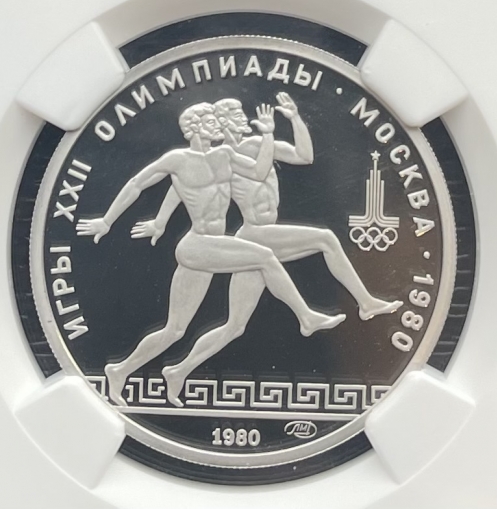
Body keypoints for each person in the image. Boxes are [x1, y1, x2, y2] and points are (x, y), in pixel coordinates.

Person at [133, 94, 402, 407]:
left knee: (235, 326)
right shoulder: (221, 157)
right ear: (221, 122)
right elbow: (181, 186)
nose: (244, 119)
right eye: (235, 115)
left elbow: (304, 156)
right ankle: (354, 306)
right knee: (325, 239)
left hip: (263, 236)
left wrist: (295, 117)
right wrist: (161, 221)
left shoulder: (258, 145)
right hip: (255, 233)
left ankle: (179, 370)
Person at [76, 102, 345, 407]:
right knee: (265, 257)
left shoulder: (225, 155)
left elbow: (259, 172)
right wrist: (107, 221)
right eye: (210, 120)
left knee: (175, 330)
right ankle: (306, 317)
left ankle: (124, 371)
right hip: (197, 244)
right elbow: (137, 184)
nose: (216, 124)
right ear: (194, 128)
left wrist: (269, 135)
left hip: (212, 246)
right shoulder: (177, 160)